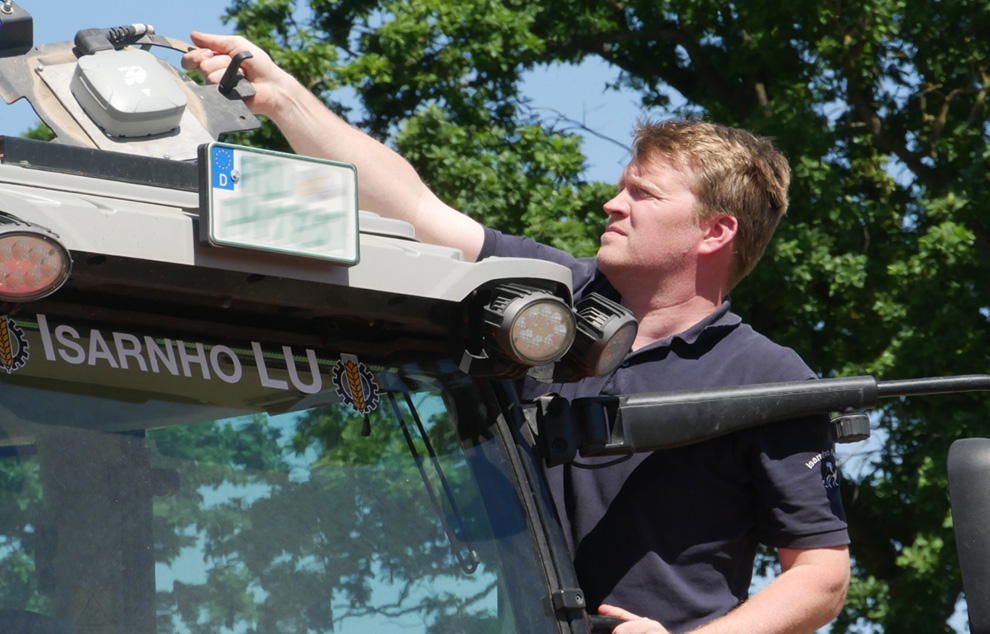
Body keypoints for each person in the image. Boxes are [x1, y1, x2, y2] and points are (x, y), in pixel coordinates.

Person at [183, 32, 851, 634]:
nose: (612, 203)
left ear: (716, 231)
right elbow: (414, 207)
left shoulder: (767, 376)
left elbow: (821, 577)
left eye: (643, 195)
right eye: (622, 187)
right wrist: (283, 97)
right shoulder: (543, 294)